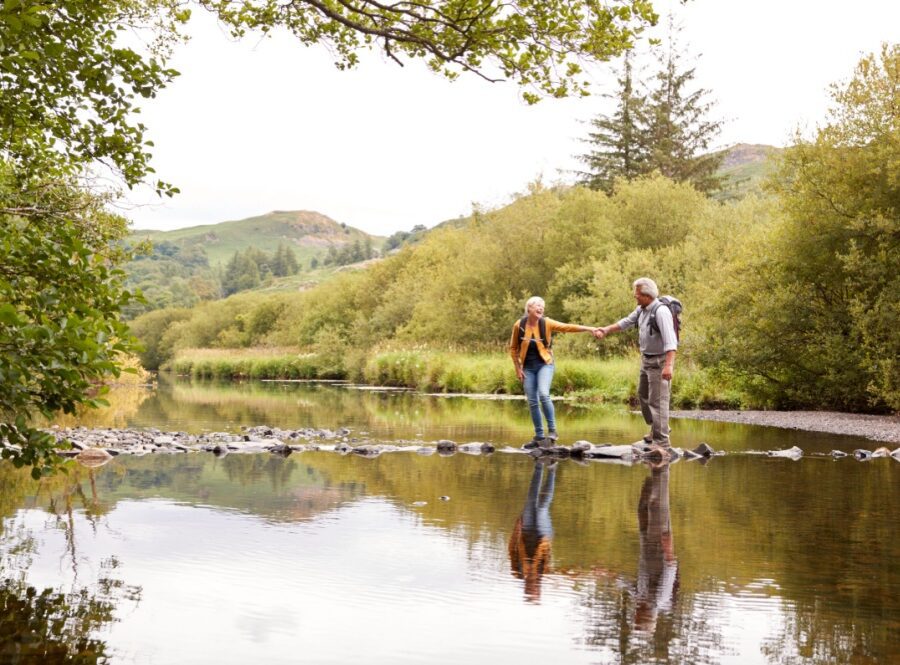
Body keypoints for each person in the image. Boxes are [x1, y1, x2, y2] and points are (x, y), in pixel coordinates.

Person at [594, 278, 677, 454]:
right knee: (643, 395)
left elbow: (671, 342)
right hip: (646, 360)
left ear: (647, 295)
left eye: (637, 293)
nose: (635, 296)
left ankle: (662, 443)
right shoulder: (641, 309)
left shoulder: (661, 312)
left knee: (658, 401)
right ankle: (657, 429)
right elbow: (626, 322)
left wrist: (668, 366)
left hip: (659, 362)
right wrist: (606, 330)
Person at [509, 296, 598, 447]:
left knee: (543, 394)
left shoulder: (546, 323)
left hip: (545, 364)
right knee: (532, 401)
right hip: (528, 368)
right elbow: (513, 348)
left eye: (542, 306)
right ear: (529, 308)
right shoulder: (519, 325)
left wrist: (590, 329)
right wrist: (518, 368)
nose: (541, 308)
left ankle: (552, 431)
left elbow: (567, 327)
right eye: (537, 305)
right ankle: (538, 436)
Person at [508, 458, 557, 602]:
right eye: (533, 591)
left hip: (526, 532)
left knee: (531, 499)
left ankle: (539, 465)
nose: (531, 588)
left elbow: (512, 550)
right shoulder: (544, 572)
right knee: (542, 507)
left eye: (529, 591)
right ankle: (552, 470)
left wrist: (516, 529)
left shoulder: (517, 572)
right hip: (543, 536)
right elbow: (550, 556)